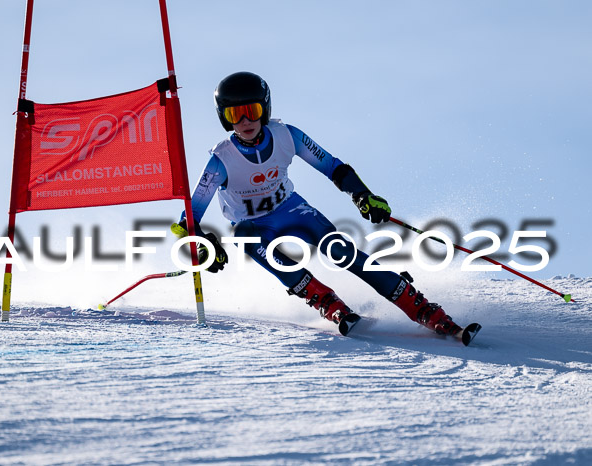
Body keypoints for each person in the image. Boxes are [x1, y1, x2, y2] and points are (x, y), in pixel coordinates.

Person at [180, 71, 480, 345]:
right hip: (255, 227)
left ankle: (424, 310)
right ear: (224, 118)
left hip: (292, 211)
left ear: (265, 109)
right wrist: (201, 242)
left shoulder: (287, 136)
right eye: (235, 114)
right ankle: (327, 302)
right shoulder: (221, 159)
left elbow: (332, 166)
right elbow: (190, 215)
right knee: (243, 236)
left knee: (342, 252)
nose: (245, 121)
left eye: (252, 111)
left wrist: (362, 195)